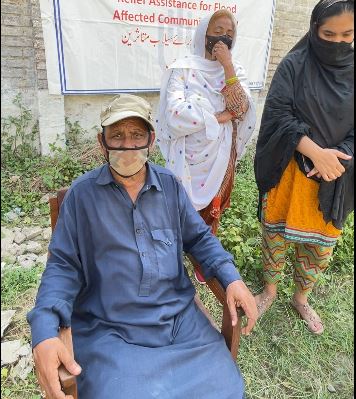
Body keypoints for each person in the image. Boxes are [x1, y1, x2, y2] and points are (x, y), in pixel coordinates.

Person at [28, 94, 258, 399]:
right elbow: (61, 267)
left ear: (151, 141)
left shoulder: (170, 185)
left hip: (179, 325)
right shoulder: (82, 197)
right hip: (110, 330)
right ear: (101, 142)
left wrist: (232, 278)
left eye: (137, 135)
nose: (127, 146)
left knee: (227, 389)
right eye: (117, 136)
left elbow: (200, 239)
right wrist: (44, 331)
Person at [254, 0, 354, 335]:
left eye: (348, 34)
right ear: (314, 30)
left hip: (335, 175)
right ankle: (268, 291)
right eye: (329, 34)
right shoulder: (294, 65)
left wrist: (335, 158)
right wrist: (315, 152)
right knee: (276, 237)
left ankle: (301, 297)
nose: (338, 42)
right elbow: (278, 115)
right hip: (289, 169)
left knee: (319, 246)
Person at [157, 10, 256, 283]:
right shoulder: (183, 68)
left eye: (230, 33)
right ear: (204, 33)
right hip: (187, 155)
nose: (223, 36)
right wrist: (219, 117)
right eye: (218, 29)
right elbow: (175, 114)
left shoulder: (235, 72)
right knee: (180, 205)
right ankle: (173, 257)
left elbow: (240, 107)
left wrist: (227, 66)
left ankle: (203, 255)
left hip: (220, 155)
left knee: (213, 209)